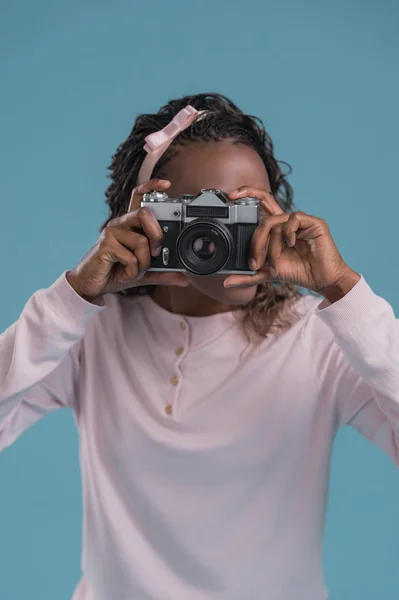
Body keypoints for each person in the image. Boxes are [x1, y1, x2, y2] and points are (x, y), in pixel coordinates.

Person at [0, 93, 398, 600]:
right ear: (148, 218)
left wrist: (343, 290)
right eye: (199, 213)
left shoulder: (318, 338)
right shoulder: (91, 331)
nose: (225, 232)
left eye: (248, 207)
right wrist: (72, 298)